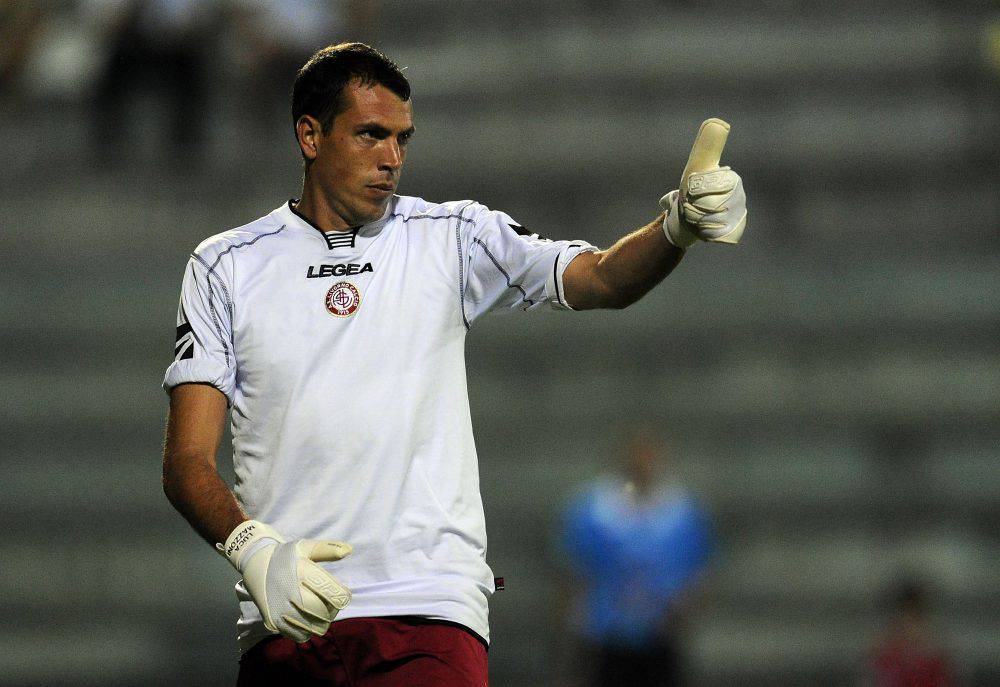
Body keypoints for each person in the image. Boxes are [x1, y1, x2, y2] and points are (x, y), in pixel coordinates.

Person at [161, 42, 747, 686]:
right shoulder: (225, 265)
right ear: (310, 135)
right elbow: (186, 462)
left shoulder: (454, 236)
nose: (392, 158)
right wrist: (253, 549)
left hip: (431, 610)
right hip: (291, 610)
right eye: (370, 134)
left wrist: (674, 230)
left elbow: (602, 278)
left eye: (402, 139)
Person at [559, 428, 715, 686]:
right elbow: (573, 570)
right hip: (607, 631)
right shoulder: (592, 510)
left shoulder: (684, 511)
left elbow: (698, 570)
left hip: (662, 630)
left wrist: (685, 612)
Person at [865, 580, 954, 687]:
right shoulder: (884, 658)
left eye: (914, 618)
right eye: (906, 618)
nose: (909, 625)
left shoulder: (936, 658)